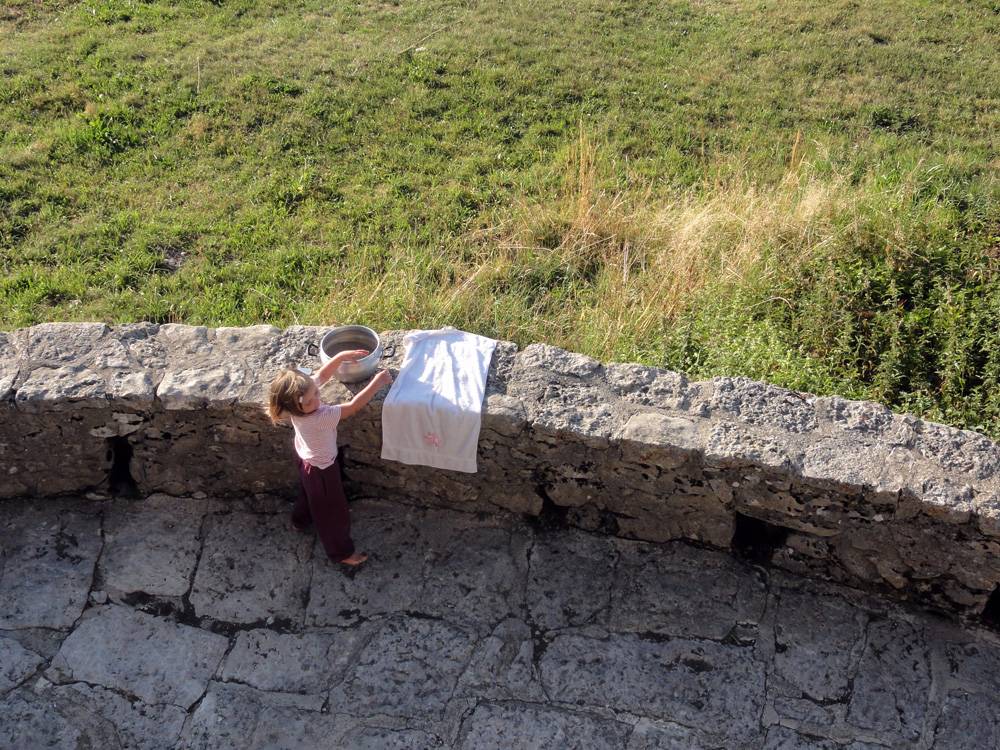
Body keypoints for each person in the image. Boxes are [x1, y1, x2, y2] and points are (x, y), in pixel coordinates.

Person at [267, 351, 393, 566]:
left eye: (316, 393)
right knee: (333, 514)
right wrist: (377, 383)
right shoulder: (319, 417)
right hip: (323, 471)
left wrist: (342, 356)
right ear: (296, 406)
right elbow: (352, 406)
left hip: (307, 462)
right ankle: (341, 553)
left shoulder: (298, 402)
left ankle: (300, 521)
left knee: (309, 496)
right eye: (310, 400)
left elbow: (322, 376)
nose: (317, 398)